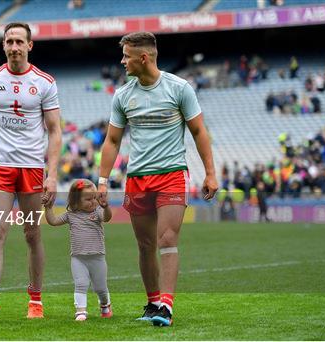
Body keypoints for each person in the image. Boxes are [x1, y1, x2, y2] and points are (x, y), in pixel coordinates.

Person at [98, 32, 218, 327]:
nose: (122, 61)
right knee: (145, 244)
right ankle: (152, 302)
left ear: (143, 57)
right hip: (137, 178)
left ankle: (166, 305)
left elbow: (199, 131)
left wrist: (211, 173)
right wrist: (102, 180)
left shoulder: (179, 89)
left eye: (126, 56)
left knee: (167, 238)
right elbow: (112, 140)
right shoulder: (123, 95)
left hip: (172, 175)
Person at [0, 22, 62, 323]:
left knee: (33, 234)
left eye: (19, 41)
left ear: (29, 46)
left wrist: (52, 174)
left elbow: (55, 131)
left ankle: (35, 300)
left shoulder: (45, 82)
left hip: (33, 169)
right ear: (4, 45)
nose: (13, 47)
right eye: (9, 41)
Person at [44, 179, 113, 321]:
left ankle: (105, 305)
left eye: (94, 197)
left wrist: (106, 207)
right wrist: (48, 207)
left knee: (100, 288)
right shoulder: (70, 215)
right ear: (75, 201)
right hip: (78, 258)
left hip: (97, 257)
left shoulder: (98, 212)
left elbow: (107, 218)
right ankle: (81, 312)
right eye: (88, 199)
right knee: (80, 284)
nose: (93, 201)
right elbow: (53, 221)